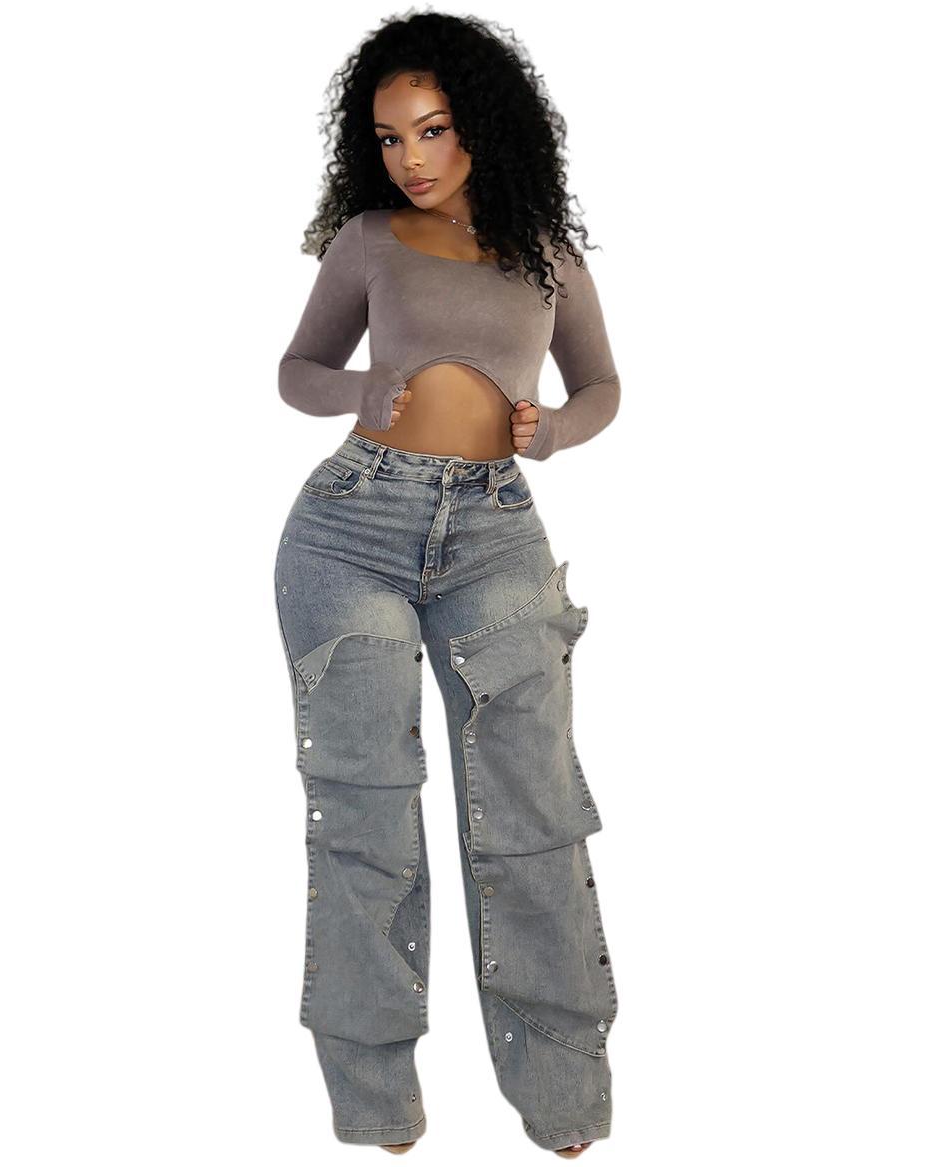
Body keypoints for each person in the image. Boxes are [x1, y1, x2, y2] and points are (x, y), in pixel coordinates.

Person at [273, 13, 621, 1157]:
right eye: (388, 138)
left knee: (532, 816)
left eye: (430, 129)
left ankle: (563, 1099)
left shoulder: (544, 252)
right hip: (350, 532)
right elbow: (298, 369)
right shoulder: (369, 240)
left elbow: (602, 384)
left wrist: (555, 428)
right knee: (365, 818)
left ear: (483, 124)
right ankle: (376, 1104)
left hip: (493, 534)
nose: (411, 158)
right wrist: (356, 392)